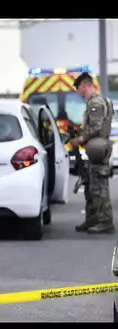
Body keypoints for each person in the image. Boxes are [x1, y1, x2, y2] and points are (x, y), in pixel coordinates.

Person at [69, 72, 115, 234]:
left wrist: (80, 139)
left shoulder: (95, 103)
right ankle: (93, 219)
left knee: (99, 186)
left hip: (99, 148)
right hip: (96, 148)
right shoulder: (95, 102)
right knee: (90, 184)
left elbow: (95, 127)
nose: (79, 93)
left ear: (84, 86)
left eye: (79, 89)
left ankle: (105, 221)